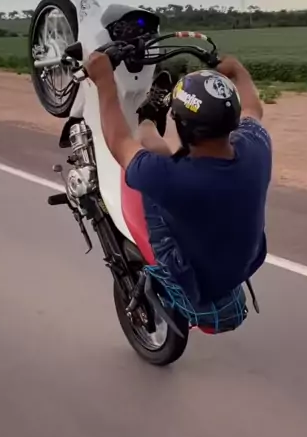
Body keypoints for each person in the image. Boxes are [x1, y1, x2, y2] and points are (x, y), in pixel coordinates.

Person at [85, 51, 272, 333]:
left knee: (146, 151)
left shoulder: (171, 178)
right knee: (161, 165)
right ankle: (150, 117)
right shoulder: (256, 146)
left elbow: (118, 141)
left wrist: (103, 81)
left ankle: (148, 117)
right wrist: (237, 69)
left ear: (183, 126)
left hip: (193, 279)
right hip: (243, 262)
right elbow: (253, 108)